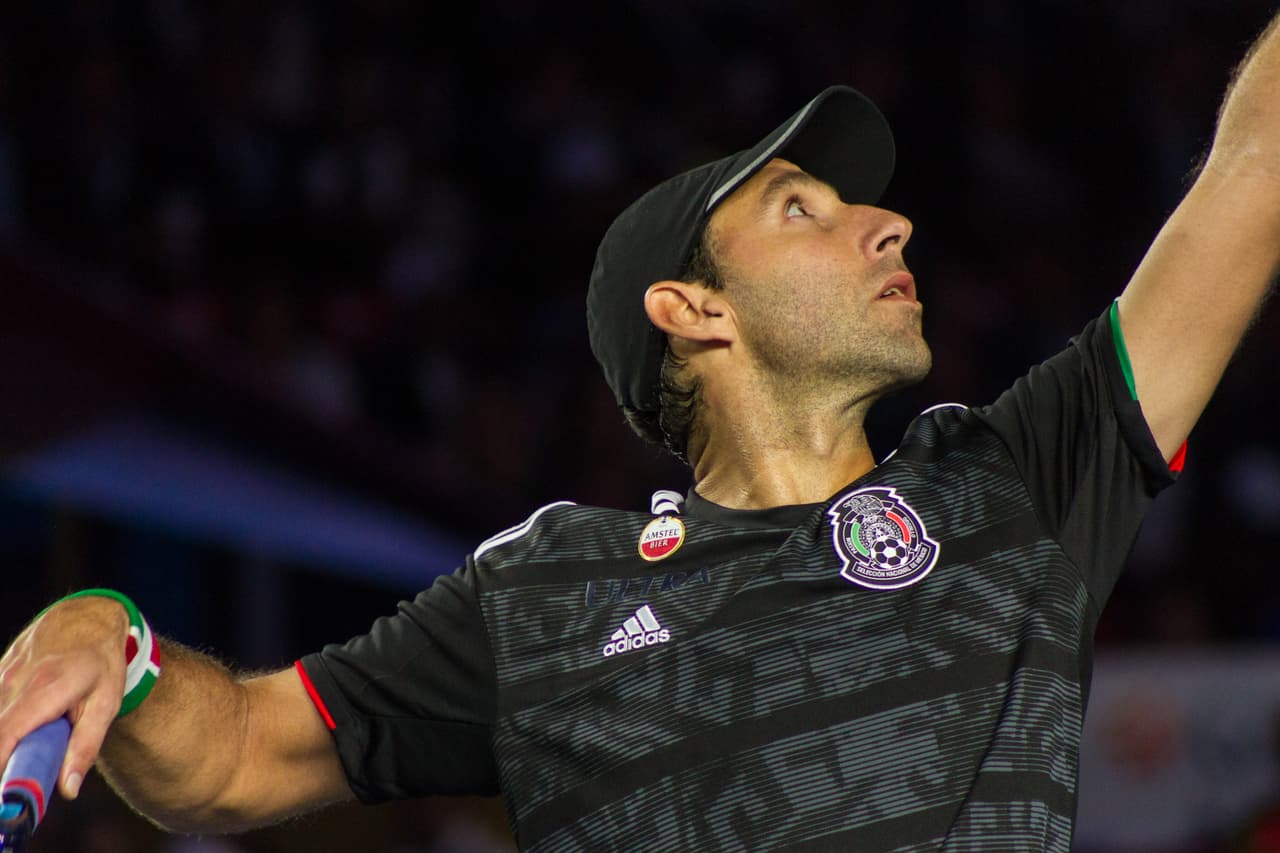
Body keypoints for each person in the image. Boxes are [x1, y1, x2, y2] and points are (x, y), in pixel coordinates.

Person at [3, 12, 1280, 850]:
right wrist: (110, 634)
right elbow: (229, 754)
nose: (884, 225)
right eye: (803, 209)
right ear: (693, 309)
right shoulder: (542, 594)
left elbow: (1255, 162)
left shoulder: (1010, 487)